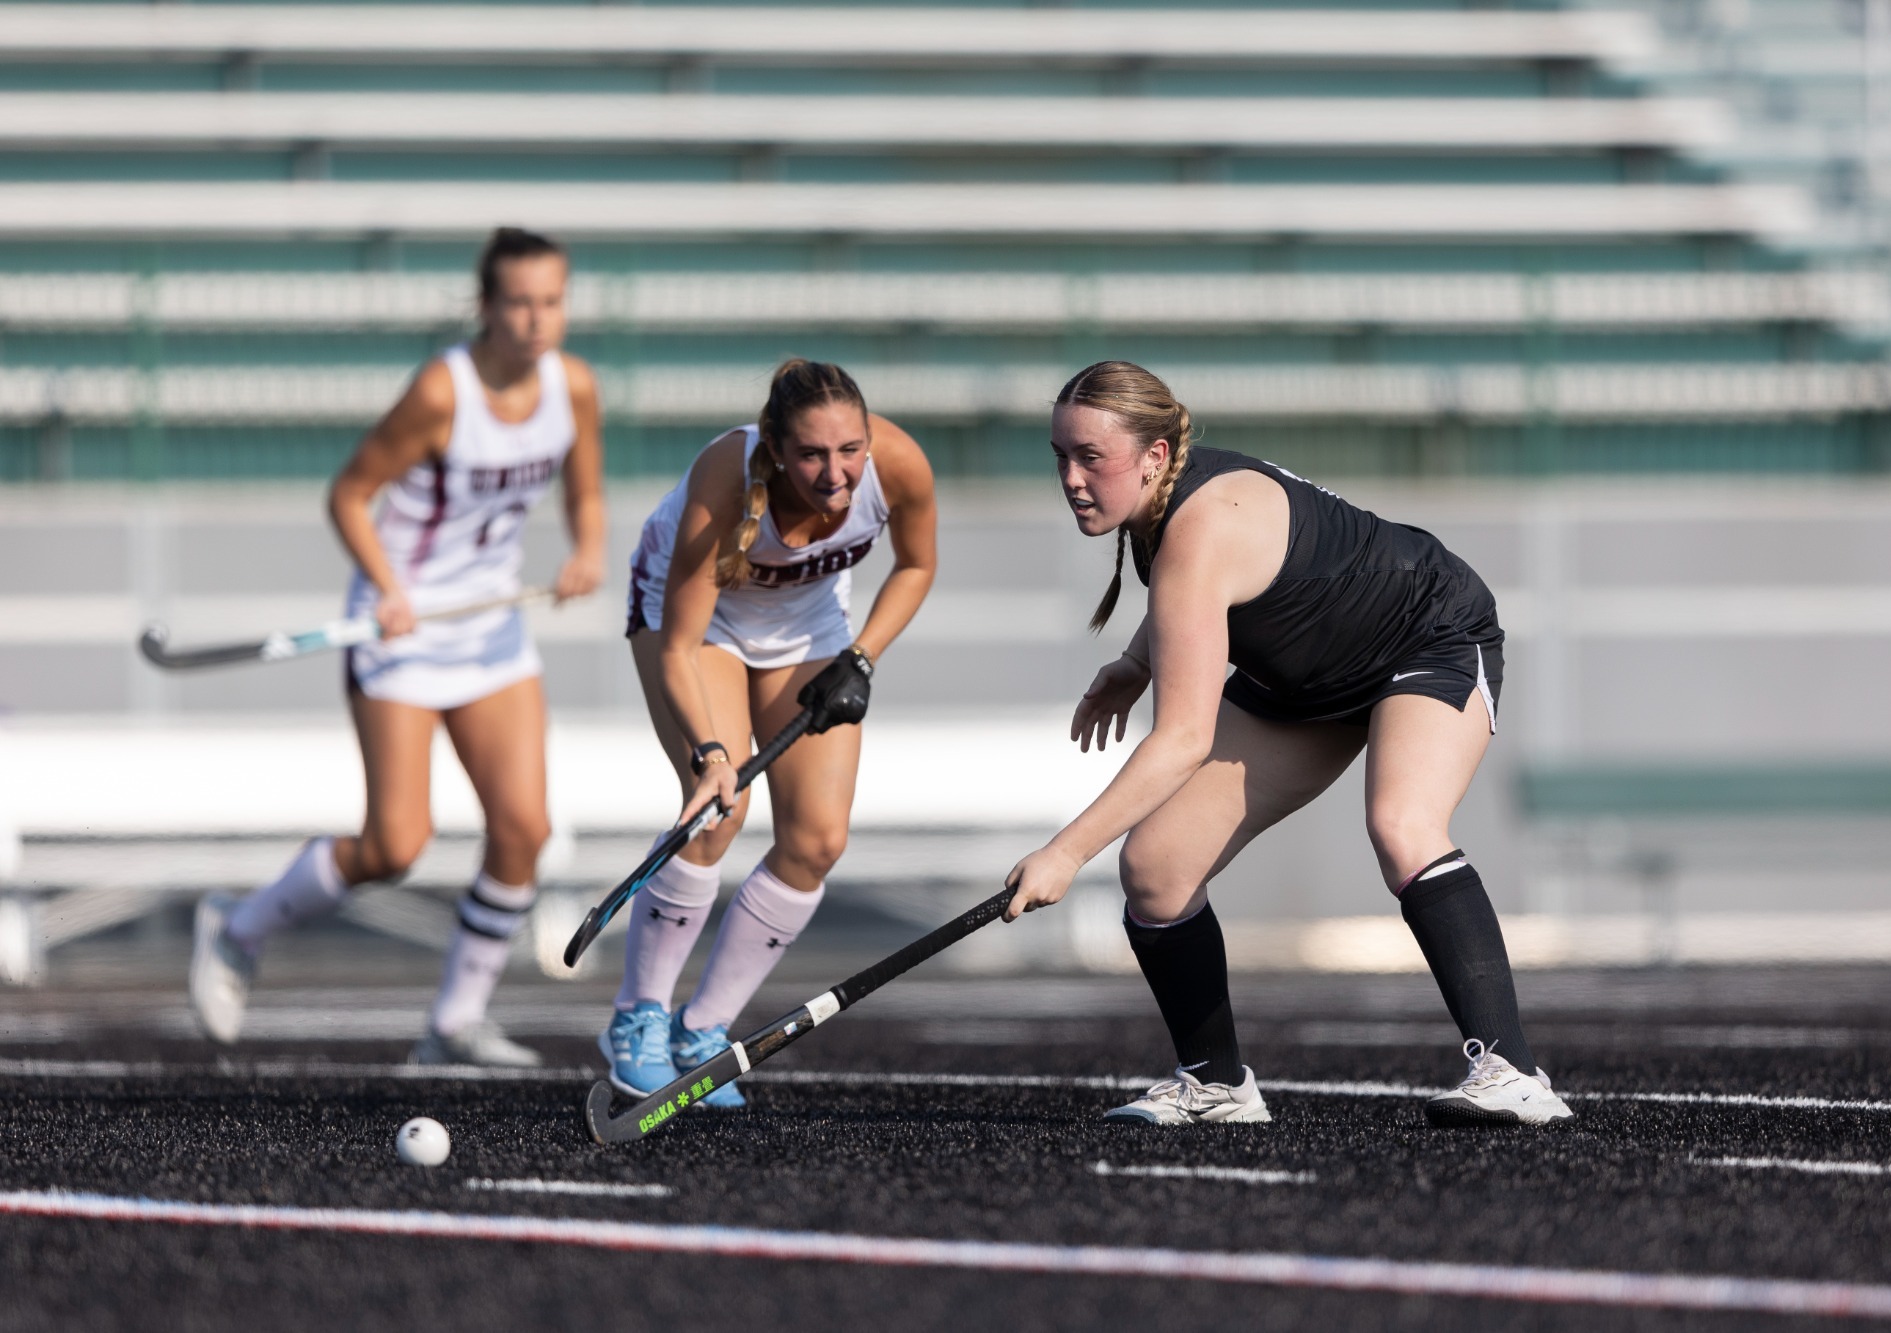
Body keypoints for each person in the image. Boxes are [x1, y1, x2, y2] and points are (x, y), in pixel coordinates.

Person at [1004, 360, 1572, 1128]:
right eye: (1060, 457)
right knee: (1156, 869)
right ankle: (1215, 1082)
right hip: (1307, 679)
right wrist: (1135, 663)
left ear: (1156, 456)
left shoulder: (1197, 527)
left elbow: (1181, 738)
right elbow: (1194, 598)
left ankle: (1513, 1070)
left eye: (1090, 459)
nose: (1071, 478)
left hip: (1427, 632)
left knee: (1403, 825)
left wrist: (1066, 852)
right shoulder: (1165, 510)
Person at [188, 227, 605, 1067]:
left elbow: (585, 495)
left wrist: (585, 553)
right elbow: (349, 494)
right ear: (486, 306)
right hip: (403, 634)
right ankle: (238, 928)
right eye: (518, 302)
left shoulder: (574, 386)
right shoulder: (441, 391)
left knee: (524, 829)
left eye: (550, 302)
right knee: (394, 844)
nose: (535, 320)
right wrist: (387, 585)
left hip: (490, 632)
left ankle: (455, 1020)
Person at [606, 358, 936, 1105]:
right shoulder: (724, 481)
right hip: (695, 626)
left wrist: (861, 657)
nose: (836, 471)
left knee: (817, 839)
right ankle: (637, 1019)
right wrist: (711, 755)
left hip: (811, 627)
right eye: (814, 454)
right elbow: (681, 647)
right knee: (719, 814)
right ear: (778, 449)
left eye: (850, 449)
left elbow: (917, 565)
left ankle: (703, 1032)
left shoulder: (900, 464)